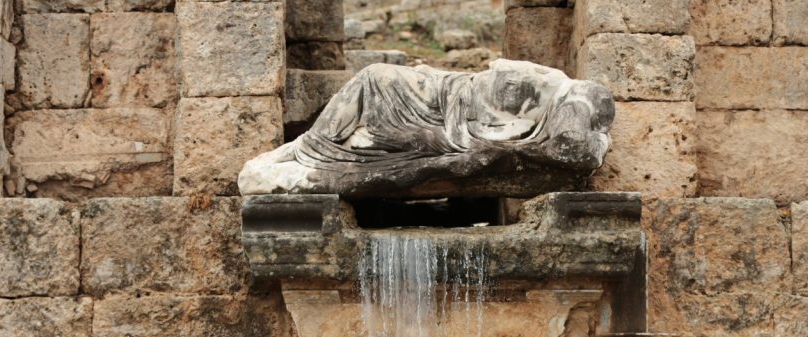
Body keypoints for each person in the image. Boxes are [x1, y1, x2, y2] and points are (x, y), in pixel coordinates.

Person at [238, 59, 615, 196]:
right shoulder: (570, 92)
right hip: (450, 92)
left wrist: (500, 153)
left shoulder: (581, 101)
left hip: (455, 121)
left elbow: (574, 149)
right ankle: (308, 151)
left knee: (374, 80)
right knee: (375, 79)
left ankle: (309, 154)